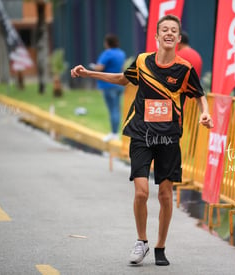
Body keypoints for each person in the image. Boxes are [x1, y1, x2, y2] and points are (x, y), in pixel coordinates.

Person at [71, 14, 213, 266]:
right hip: (141, 134)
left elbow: (199, 94)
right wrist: (88, 73)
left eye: (173, 31)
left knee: (166, 195)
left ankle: (160, 246)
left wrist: (205, 112)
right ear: (157, 36)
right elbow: (121, 79)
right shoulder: (142, 61)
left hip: (169, 138)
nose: (168, 33)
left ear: (178, 39)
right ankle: (141, 241)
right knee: (141, 193)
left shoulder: (184, 69)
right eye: (164, 30)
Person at [89, 34, 126, 142]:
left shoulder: (107, 53)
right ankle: (116, 132)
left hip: (108, 85)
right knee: (117, 109)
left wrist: (92, 67)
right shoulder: (121, 53)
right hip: (119, 84)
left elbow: (100, 68)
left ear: (107, 43)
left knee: (112, 110)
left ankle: (114, 133)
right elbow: (122, 68)